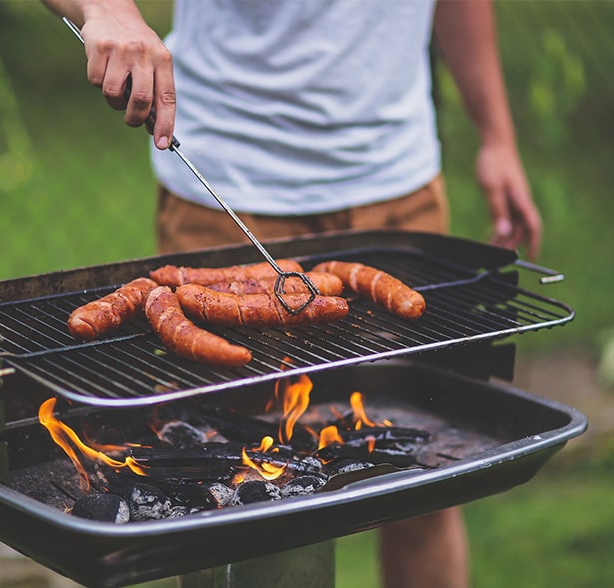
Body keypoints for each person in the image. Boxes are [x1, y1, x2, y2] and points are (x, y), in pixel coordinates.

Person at [43, 1, 542, 586]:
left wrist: (497, 136)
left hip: (398, 187)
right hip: (226, 186)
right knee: (227, 496)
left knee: (422, 481)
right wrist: (106, 10)